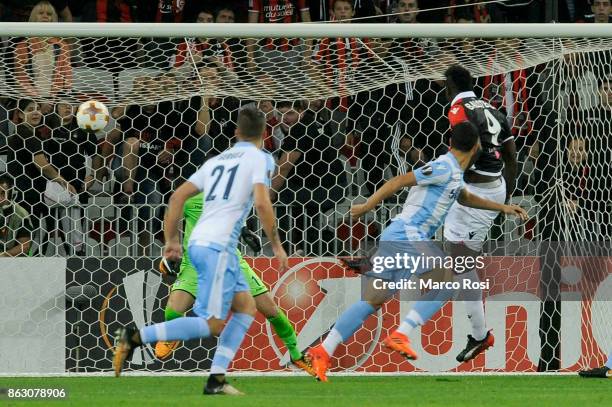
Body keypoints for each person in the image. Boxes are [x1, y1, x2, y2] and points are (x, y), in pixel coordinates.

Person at [306, 121, 528, 382]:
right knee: (447, 280)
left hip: (395, 235)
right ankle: (401, 333)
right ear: (477, 145)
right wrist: (367, 206)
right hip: (409, 234)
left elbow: (463, 197)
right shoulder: (444, 167)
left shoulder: (454, 171)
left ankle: (323, 350)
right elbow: (399, 180)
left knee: (373, 300)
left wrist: (501, 207)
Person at [113, 106, 288, 396]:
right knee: (214, 324)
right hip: (218, 246)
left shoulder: (216, 162)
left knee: (246, 308)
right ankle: (134, 338)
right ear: (264, 135)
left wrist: (171, 240)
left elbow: (178, 196)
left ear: (236, 133)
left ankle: (216, 379)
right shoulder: (262, 159)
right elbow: (262, 203)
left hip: (203, 245)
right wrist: (277, 245)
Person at [154, 191, 315, 376]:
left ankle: (296, 354)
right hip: (196, 265)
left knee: (271, 310)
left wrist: (246, 231)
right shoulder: (190, 197)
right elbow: (170, 218)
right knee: (173, 310)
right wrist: (170, 250)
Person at [271, 100, 347, 255]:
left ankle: (286, 252)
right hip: (330, 185)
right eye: (280, 114)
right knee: (304, 215)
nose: (285, 118)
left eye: (290, 113)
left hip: (319, 188)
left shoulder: (301, 129)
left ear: (302, 111)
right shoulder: (315, 121)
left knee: (280, 199)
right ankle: (314, 249)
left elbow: (284, 166)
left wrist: (268, 195)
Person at [7, 99, 76, 255]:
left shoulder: (28, 133)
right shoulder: (26, 134)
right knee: (32, 233)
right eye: (30, 109)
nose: (36, 112)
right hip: (27, 193)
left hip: (29, 192)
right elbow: (41, 164)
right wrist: (64, 182)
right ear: (20, 114)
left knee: (34, 231)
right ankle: (33, 262)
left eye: (38, 109)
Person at [13, 2, 72, 106]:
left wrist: (55, 101)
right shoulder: (22, 47)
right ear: (33, 17)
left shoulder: (62, 46)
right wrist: (39, 102)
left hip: (56, 102)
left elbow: (67, 78)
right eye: (41, 13)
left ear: (52, 19)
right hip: (30, 102)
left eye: (49, 14)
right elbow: (21, 81)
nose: (45, 16)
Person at [0, 174, 33, 257]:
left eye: (3, 193)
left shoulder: (20, 214)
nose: (0, 198)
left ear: (11, 193)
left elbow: (25, 246)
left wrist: (3, 256)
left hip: (13, 261)